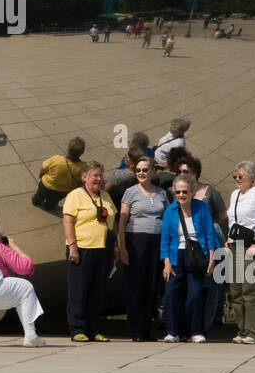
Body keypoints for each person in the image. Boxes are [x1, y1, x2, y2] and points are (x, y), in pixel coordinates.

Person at [161, 174, 220, 342]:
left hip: (196, 255)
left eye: (184, 191)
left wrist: (211, 259)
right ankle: (172, 332)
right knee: (171, 294)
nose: (181, 195)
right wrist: (166, 262)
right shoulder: (170, 211)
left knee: (195, 294)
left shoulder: (201, 208)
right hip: (175, 255)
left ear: (192, 192)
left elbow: (210, 235)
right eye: (178, 192)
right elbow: (165, 239)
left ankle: (195, 331)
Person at [116, 156, 170, 341]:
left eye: (145, 170)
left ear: (153, 171)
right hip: (135, 241)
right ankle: (136, 330)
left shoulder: (162, 193)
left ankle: (146, 329)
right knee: (135, 286)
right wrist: (122, 246)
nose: (141, 173)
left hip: (156, 242)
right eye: (138, 170)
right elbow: (122, 221)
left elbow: (168, 218)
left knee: (151, 286)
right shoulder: (130, 192)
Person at [172, 153, 227, 332]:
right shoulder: (173, 192)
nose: (183, 174)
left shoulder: (209, 192)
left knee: (210, 285)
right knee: (184, 285)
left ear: (195, 172)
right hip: (183, 246)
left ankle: (204, 325)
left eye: (186, 171)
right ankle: (183, 324)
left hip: (206, 245)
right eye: (179, 172)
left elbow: (221, 214)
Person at [62, 161, 115, 342]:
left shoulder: (106, 196)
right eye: (95, 176)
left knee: (96, 292)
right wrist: (72, 247)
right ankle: (77, 329)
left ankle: (94, 329)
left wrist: (115, 248)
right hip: (82, 249)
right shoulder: (75, 196)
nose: (99, 179)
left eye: (101, 176)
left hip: (102, 250)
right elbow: (68, 221)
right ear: (85, 177)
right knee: (78, 291)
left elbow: (112, 222)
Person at [227, 160, 255, 343]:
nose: (238, 179)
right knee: (236, 291)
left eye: (241, 176)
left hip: (251, 246)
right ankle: (242, 330)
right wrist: (227, 240)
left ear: (252, 177)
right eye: (235, 176)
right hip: (234, 245)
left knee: (251, 290)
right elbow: (234, 221)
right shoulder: (234, 194)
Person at [33, 136, 87, 211]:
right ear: (82, 152)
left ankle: (36, 202)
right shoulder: (83, 167)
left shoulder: (56, 159)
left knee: (39, 195)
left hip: (46, 186)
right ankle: (48, 207)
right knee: (52, 201)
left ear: (68, 149)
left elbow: (43, 168)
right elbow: (83, 181)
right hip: (61, 192)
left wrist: (40, 175)